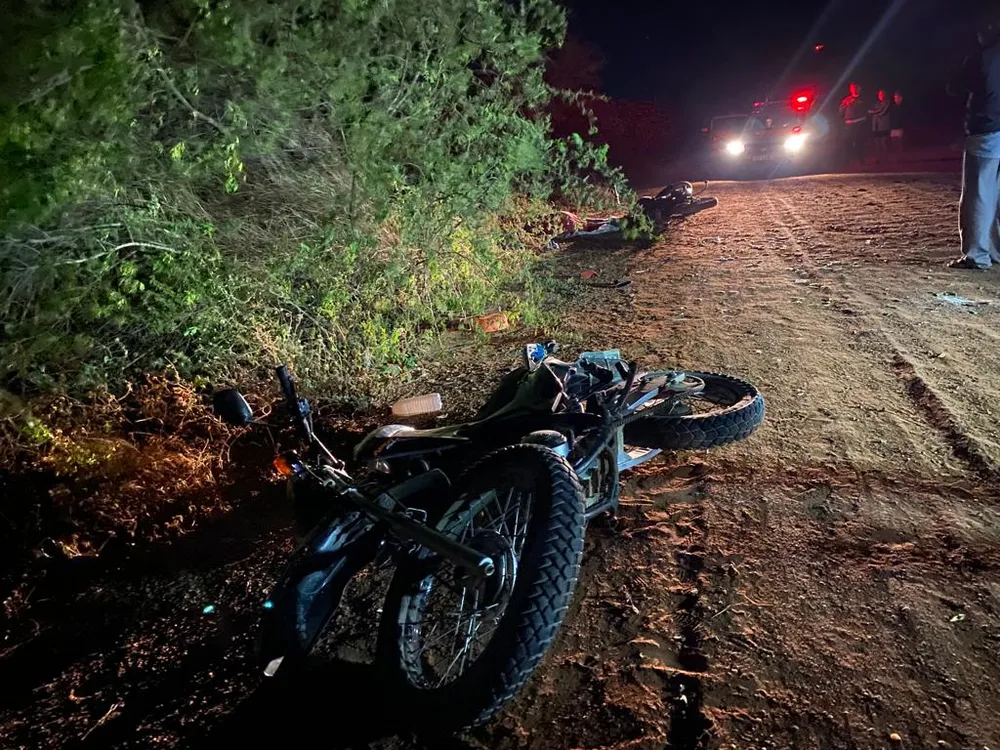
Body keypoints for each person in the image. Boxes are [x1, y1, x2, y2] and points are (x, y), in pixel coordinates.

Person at [947, 12, 1000, 270]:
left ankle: (977, 255)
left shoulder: (981, 57)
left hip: (987, 129)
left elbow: (954, 87)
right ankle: (997, 251)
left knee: (979, 193)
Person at [839, 82, 867, 166]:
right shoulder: (847, 99)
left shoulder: (862, 99)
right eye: (851, 88)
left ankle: (861, 160)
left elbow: (865, 111)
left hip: (859, 123)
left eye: (854, 88)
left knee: (859, 142)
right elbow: (841, 111)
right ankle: (847, 160)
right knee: (847, 142)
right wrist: (843, 107)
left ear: (858, 88)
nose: (853, 90)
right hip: (849, 123)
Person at [869, 89, 892, 164]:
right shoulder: (876, 103)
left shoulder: (887, 102)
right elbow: (870, 111)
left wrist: (874, 112)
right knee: (877, 144)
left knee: (884, 143)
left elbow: (882, 112)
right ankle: (878, 159)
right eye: (879, 94)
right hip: (875, 127)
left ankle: (886, 159)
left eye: (882, 94)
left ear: (885, 95)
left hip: (884, 126)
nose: (880, 96)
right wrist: (875, 112)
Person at [889, 92, 905, 161]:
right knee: (894, 144)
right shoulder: (893, 107)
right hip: (893, 128)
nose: (896, 99)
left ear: (901, 98)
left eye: (897, 98)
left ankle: (900, 158)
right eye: (895, 98)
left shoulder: (902, 107)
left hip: (899, 128)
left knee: (899, 143)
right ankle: (896, 158)